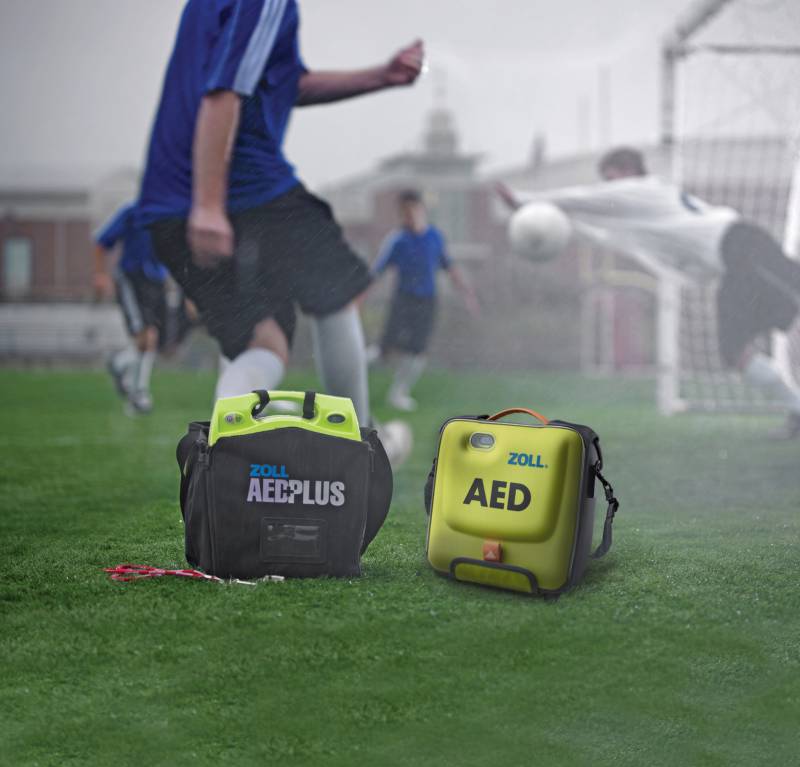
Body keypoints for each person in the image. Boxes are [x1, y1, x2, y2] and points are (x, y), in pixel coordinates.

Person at [138, 0, 423, 452]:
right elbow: (223, 90)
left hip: (165, 205)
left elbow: (283, 82)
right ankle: (362, 449)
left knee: (262, 340)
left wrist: (380, 76)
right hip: (241, 189)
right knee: (337, 290)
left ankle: (221, 460)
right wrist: (208, 205)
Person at [498, 146, 800, 438]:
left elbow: (587, 199)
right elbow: (598, 231)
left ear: (629, 170)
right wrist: (550, 217)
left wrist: (524, 199)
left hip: (745, 246)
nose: (609, 187)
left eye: (611, 178)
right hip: (733, 265)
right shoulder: (639, 218)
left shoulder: (645, 189)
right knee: (733, 351)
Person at [364, 190, 480, 411]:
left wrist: (468, 293)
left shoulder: (435, 237)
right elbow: (376, 272)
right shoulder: (397, 240)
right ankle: (351, 374)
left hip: (427, 301)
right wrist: (357, 299)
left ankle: (398, 394)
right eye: (404, 212)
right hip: (403, 300)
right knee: (384, 351)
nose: (410, 216)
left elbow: (449, 267)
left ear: (422, 210)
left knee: (417, 351)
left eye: (413, 210)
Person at [94, 202, 194, 414]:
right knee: (146, 336)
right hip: (132, 279)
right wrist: (101, 275)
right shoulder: (132, 214)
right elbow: (102, 243)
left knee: (157, 342)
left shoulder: (172, 216)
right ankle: (138, 394)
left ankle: (119, 363)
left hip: (157, 282)